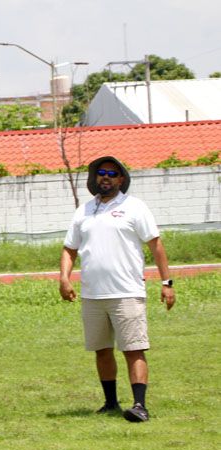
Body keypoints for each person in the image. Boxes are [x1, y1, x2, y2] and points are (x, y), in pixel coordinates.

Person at [60, 156, 175, 423]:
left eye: (112, 173)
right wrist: (64, 278)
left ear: (121, 179)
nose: (106, 177)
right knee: (101, 350)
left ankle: (139, 406)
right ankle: (110, 402)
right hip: (92, 295)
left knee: (134, 348)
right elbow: (70, 248)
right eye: (101, 173)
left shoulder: (135, 208)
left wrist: (167, 283)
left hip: (126, 293)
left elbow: (156, 246)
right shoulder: (84, 211)